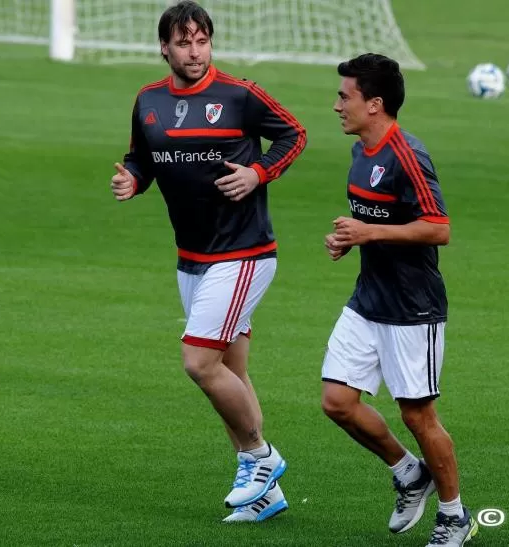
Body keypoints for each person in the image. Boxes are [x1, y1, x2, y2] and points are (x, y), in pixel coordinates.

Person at [110, 0, 306, 523]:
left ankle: (261, 459)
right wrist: (134, 179)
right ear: (164, 48)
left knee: (199, 363)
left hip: (242, 254)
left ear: (210, 43)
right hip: (190, 259)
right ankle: (265, 496)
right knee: (229, 377)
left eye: (201, 41)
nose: (193, 52)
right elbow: (142, 156)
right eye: (183, 43)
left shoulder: (238, 95)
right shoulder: (148, 100)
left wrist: (258, 174)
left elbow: (294, 134)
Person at [321, 53, 477, 546]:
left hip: (413, 308)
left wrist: (368, 231)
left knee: (418, 416)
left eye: (345, 96)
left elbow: (439, 229)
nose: (336, 105)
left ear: (375, 104)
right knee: (337, 401)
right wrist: (352, 239)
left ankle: (454, 515)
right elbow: (377, 225)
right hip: (369, 299)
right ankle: (411, 474)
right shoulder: (359, 155)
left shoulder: (407, 154)